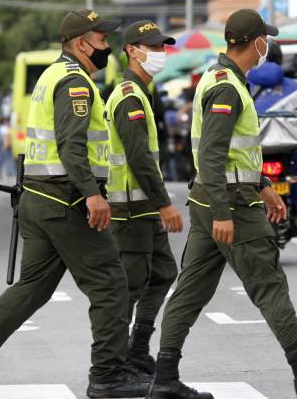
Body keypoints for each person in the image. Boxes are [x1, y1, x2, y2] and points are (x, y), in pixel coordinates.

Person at [147, 9, 297, 399]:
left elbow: (233, 153)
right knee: (269, 285)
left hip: (215, 198)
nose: (269, 45)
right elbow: (212, 156)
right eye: (267, 38)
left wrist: (263, 185)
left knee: (190, 291)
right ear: (255, 41)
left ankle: (164, 379)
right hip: (229, 203)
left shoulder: (221, 77)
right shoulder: (227, 87)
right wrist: (223, 214)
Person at [0, 10, 149, 399]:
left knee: (30, 289)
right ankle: (109, 376)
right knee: (110, 285)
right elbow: (72, 145)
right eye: (101, 41)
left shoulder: (51, 75)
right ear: (82, 43)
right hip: (64, 200)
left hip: (38, 199)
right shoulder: (74, 83)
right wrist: (92, 194)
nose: (107, 47)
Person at [104, 20, 182, 376]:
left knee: (163, 273)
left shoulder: (142, 92)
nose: (159, 54)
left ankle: (137, 350)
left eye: (162, 47)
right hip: (131, 208)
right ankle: (115, 364)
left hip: (142, 206)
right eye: (152, 48)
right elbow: (137, 157)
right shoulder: (129, 96)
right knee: (131, 287)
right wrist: (165, 203)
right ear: (132, 51)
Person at [247, 38, 297, 211]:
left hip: (251, 150)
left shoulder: (239, 84)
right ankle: (296, 207)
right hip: (286, 149)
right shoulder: (296, 87)